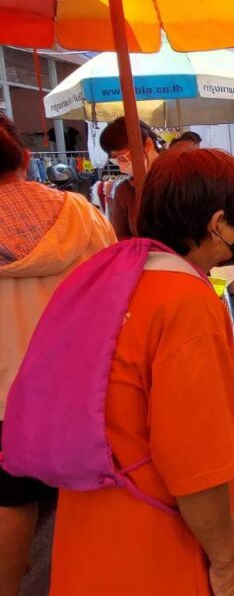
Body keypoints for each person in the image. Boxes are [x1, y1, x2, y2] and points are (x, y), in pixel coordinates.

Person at [49, 147, 234, 595]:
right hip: (157, 548)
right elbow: (195, 463)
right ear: (218, 223)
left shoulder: (112, 278)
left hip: (87, 534)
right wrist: (226, 560)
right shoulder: (185, 303)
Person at [0, 114, 115, 595]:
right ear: (27, 158)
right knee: (86, 492)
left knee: (11, 503)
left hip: (5, 399)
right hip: (81, 385)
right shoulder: (80, 213)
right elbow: (115, 288)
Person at [99, 117, 164, 240]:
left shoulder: (178, 179)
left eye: (122, 157)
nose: (120, 165)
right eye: (115, 159)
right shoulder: (124, 190)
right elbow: (120, 236)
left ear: (148, 145)